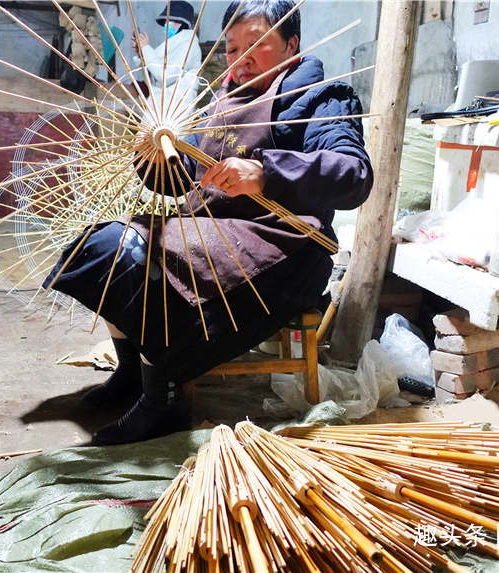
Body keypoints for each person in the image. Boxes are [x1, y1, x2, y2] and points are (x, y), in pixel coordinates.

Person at [45, 0, 373, 446]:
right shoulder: (221, 101)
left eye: (257, 45)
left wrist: (267, 173)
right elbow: (185, 182)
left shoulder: (317, 98)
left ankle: (164, 401)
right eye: (232, 49)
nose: (241, 60)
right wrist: (154, 161)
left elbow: (353, 175)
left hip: (283, 242)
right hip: (206, 228)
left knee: (146, 267)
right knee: (105, 245)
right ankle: (131, 371)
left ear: (291, 44)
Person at [131, 0, 201, 115]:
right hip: (159, 112)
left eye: (168, 21)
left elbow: (165, 76)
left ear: (179, 22)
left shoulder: (189, 47)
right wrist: (142, 54)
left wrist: (147, 49)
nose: (165, 25)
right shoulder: (169, 47)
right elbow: (151, 80)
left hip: (174, 116)